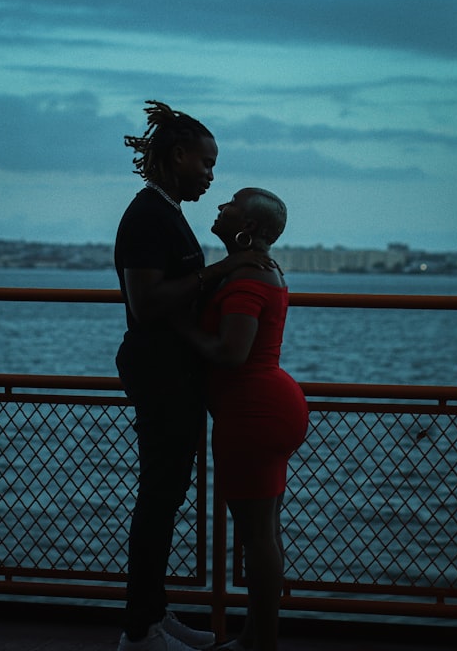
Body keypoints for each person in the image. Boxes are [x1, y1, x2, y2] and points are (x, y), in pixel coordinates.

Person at [114, 101, 268, 651]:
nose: (211, 175)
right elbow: (147, 300)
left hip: (172, 372)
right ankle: (140, 632)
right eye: (206, 163)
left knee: (166, 493)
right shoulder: (147, 216)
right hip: (159, 372)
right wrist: (223, 270)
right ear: (177, 156)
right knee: (159, 497)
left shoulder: (166, 213)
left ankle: (153, 614)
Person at [176, 188, 310, 651]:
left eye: (230, 203)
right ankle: (257, 639)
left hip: (253, 412)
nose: (219, 207)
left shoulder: (249, 278)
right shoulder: (263, 269)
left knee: (256, 537)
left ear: (247, 226)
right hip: (268, 406)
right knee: (264, 533)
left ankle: (260, 645)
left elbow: (230, 353)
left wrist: (179, 325)